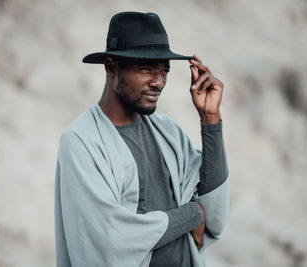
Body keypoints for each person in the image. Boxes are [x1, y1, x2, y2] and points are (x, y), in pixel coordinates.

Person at [55, 11, 229, 267]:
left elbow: (211, 203)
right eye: (146, 68)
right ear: (112, 66)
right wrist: (191, 214)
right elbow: (110, 239)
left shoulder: (167, 131)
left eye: (164, 70)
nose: (158, 82)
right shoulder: (80, 141)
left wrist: (210, 119)